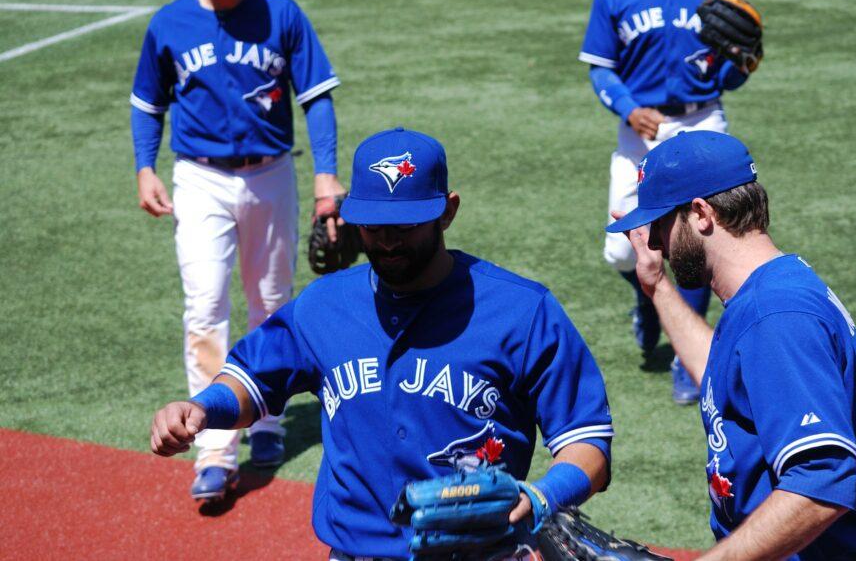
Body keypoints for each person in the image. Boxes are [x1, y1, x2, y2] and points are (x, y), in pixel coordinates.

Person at [150, 128, 614, 558]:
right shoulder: (325, 306)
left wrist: (542, 496)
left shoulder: (521, 312)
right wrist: (203, 408)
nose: (388, 242)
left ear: (448, 212)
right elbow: (252, 379)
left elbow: (588, 442)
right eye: (373, 226)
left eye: (405, 225)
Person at [607, 131, 856, 560]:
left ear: (701, 214)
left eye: (659, 225)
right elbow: (727, 376)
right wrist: (656, 286)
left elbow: (821, 484)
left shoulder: (776, 316)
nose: (656, 243)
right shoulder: (769, 292)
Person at [130, 0, 345, 501]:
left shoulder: (282, 13)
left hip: (271, 173)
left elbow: (319, 97)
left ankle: (269, 417)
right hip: (199, 179)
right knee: (204, 306)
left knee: (272, 301)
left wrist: (326, 178)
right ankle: (215, 449)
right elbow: (148, 103)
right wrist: (145, 167)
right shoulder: (170, 23)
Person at [578, 0, 760, 404]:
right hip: (641, 128)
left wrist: (742, 65)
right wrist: (626, 106)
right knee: (620, 247)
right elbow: (600, 65)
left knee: (706, 237)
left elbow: (728, 71)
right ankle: (648, 293)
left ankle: (688, 355)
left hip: (702, 121)